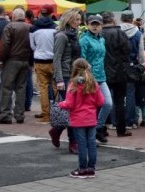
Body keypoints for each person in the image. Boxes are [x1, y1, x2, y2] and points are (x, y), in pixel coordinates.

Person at [57, 58, 105, 179]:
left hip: (78, 120)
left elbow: (69, 104)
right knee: (92, 143)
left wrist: (60, 104)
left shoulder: (73, 84)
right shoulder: (93, 83)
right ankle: (91, 169)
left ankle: (82, 169)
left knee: (82, 144)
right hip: (91, 119)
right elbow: (101, 101)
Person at [52, 8, 83, 153]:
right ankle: (73, 142)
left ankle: (57, 131)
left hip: (75, 76)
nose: (79, 22)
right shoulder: (62, 36)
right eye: (77, 19)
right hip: (65, 76)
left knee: (74, 109)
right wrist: (59, 80)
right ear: (69, 20)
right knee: (70, 110)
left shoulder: (74, 35)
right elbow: (56, 58)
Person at [80, 14, 114, 144]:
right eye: (92, 24)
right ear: (88, 25)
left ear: (101, 26)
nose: (95, 26)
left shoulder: (102, 40)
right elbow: (81, 59)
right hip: (89, 77)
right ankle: (90, 134)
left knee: (107, 104)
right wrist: (85, 75)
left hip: (101, 76)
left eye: (97, 24)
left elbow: (102, 58)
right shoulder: (84, 40)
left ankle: (98, 127)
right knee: (91, 107)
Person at [0, 8, 33, 124]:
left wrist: (1, 59)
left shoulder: (10, 27)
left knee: (6, 87)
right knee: (21, 88)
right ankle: (19, 114)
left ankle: (5, 115)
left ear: (13, 16)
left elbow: (5, 45)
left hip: (12, 60)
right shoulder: (30, 27)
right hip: (25, 60)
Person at [101, 13, 134, 136]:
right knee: (119, 101)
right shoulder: (120, 33)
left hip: (104, 71)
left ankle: (102, 128)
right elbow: (128, 49)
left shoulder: (100, 34)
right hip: (120, 71)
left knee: (102, 100)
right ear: (113, 20)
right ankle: (121, 129)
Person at [29, 5, 58, 122]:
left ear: (41, 13)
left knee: (43, 88)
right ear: (51, 14)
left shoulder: (33, 28)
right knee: (56, 88)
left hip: (40, 61)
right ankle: (57, 111)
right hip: (53, 61)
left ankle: (45, 114)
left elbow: (32, 46)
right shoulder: (56, 28)